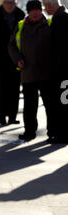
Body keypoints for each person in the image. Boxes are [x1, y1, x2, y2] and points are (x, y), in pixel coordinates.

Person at [8, 0, 52, 141]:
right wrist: (17, 59)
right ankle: (29, 131)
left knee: (50, 105)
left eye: (37, 10)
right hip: (28, 72)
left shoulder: (50, 24)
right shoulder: (21, 26)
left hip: (47, 73)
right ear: (28, 12)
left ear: (41, 10)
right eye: (32, 10)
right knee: (29, 106)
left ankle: (53, 131)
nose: (35, 13)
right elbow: (12, 46)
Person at [0, 0, 25, 125]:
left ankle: (12, 116)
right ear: (3, 3)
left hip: (16, 58)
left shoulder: (21, 15)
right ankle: (2, 115)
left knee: (14, 88)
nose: (10, 5)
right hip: (0, 58)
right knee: (3, 88)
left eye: (12, 3)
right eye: (7, 2)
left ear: (16, 4)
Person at [42, 0, 68, 143]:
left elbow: (60, 47)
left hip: (61, 71)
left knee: (62, 104)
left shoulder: (61, 19)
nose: (45, 10)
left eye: (45, 6)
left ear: (51, 5)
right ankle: (62, 133)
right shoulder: (61, 18)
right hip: (61, 70)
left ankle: (63, 134)